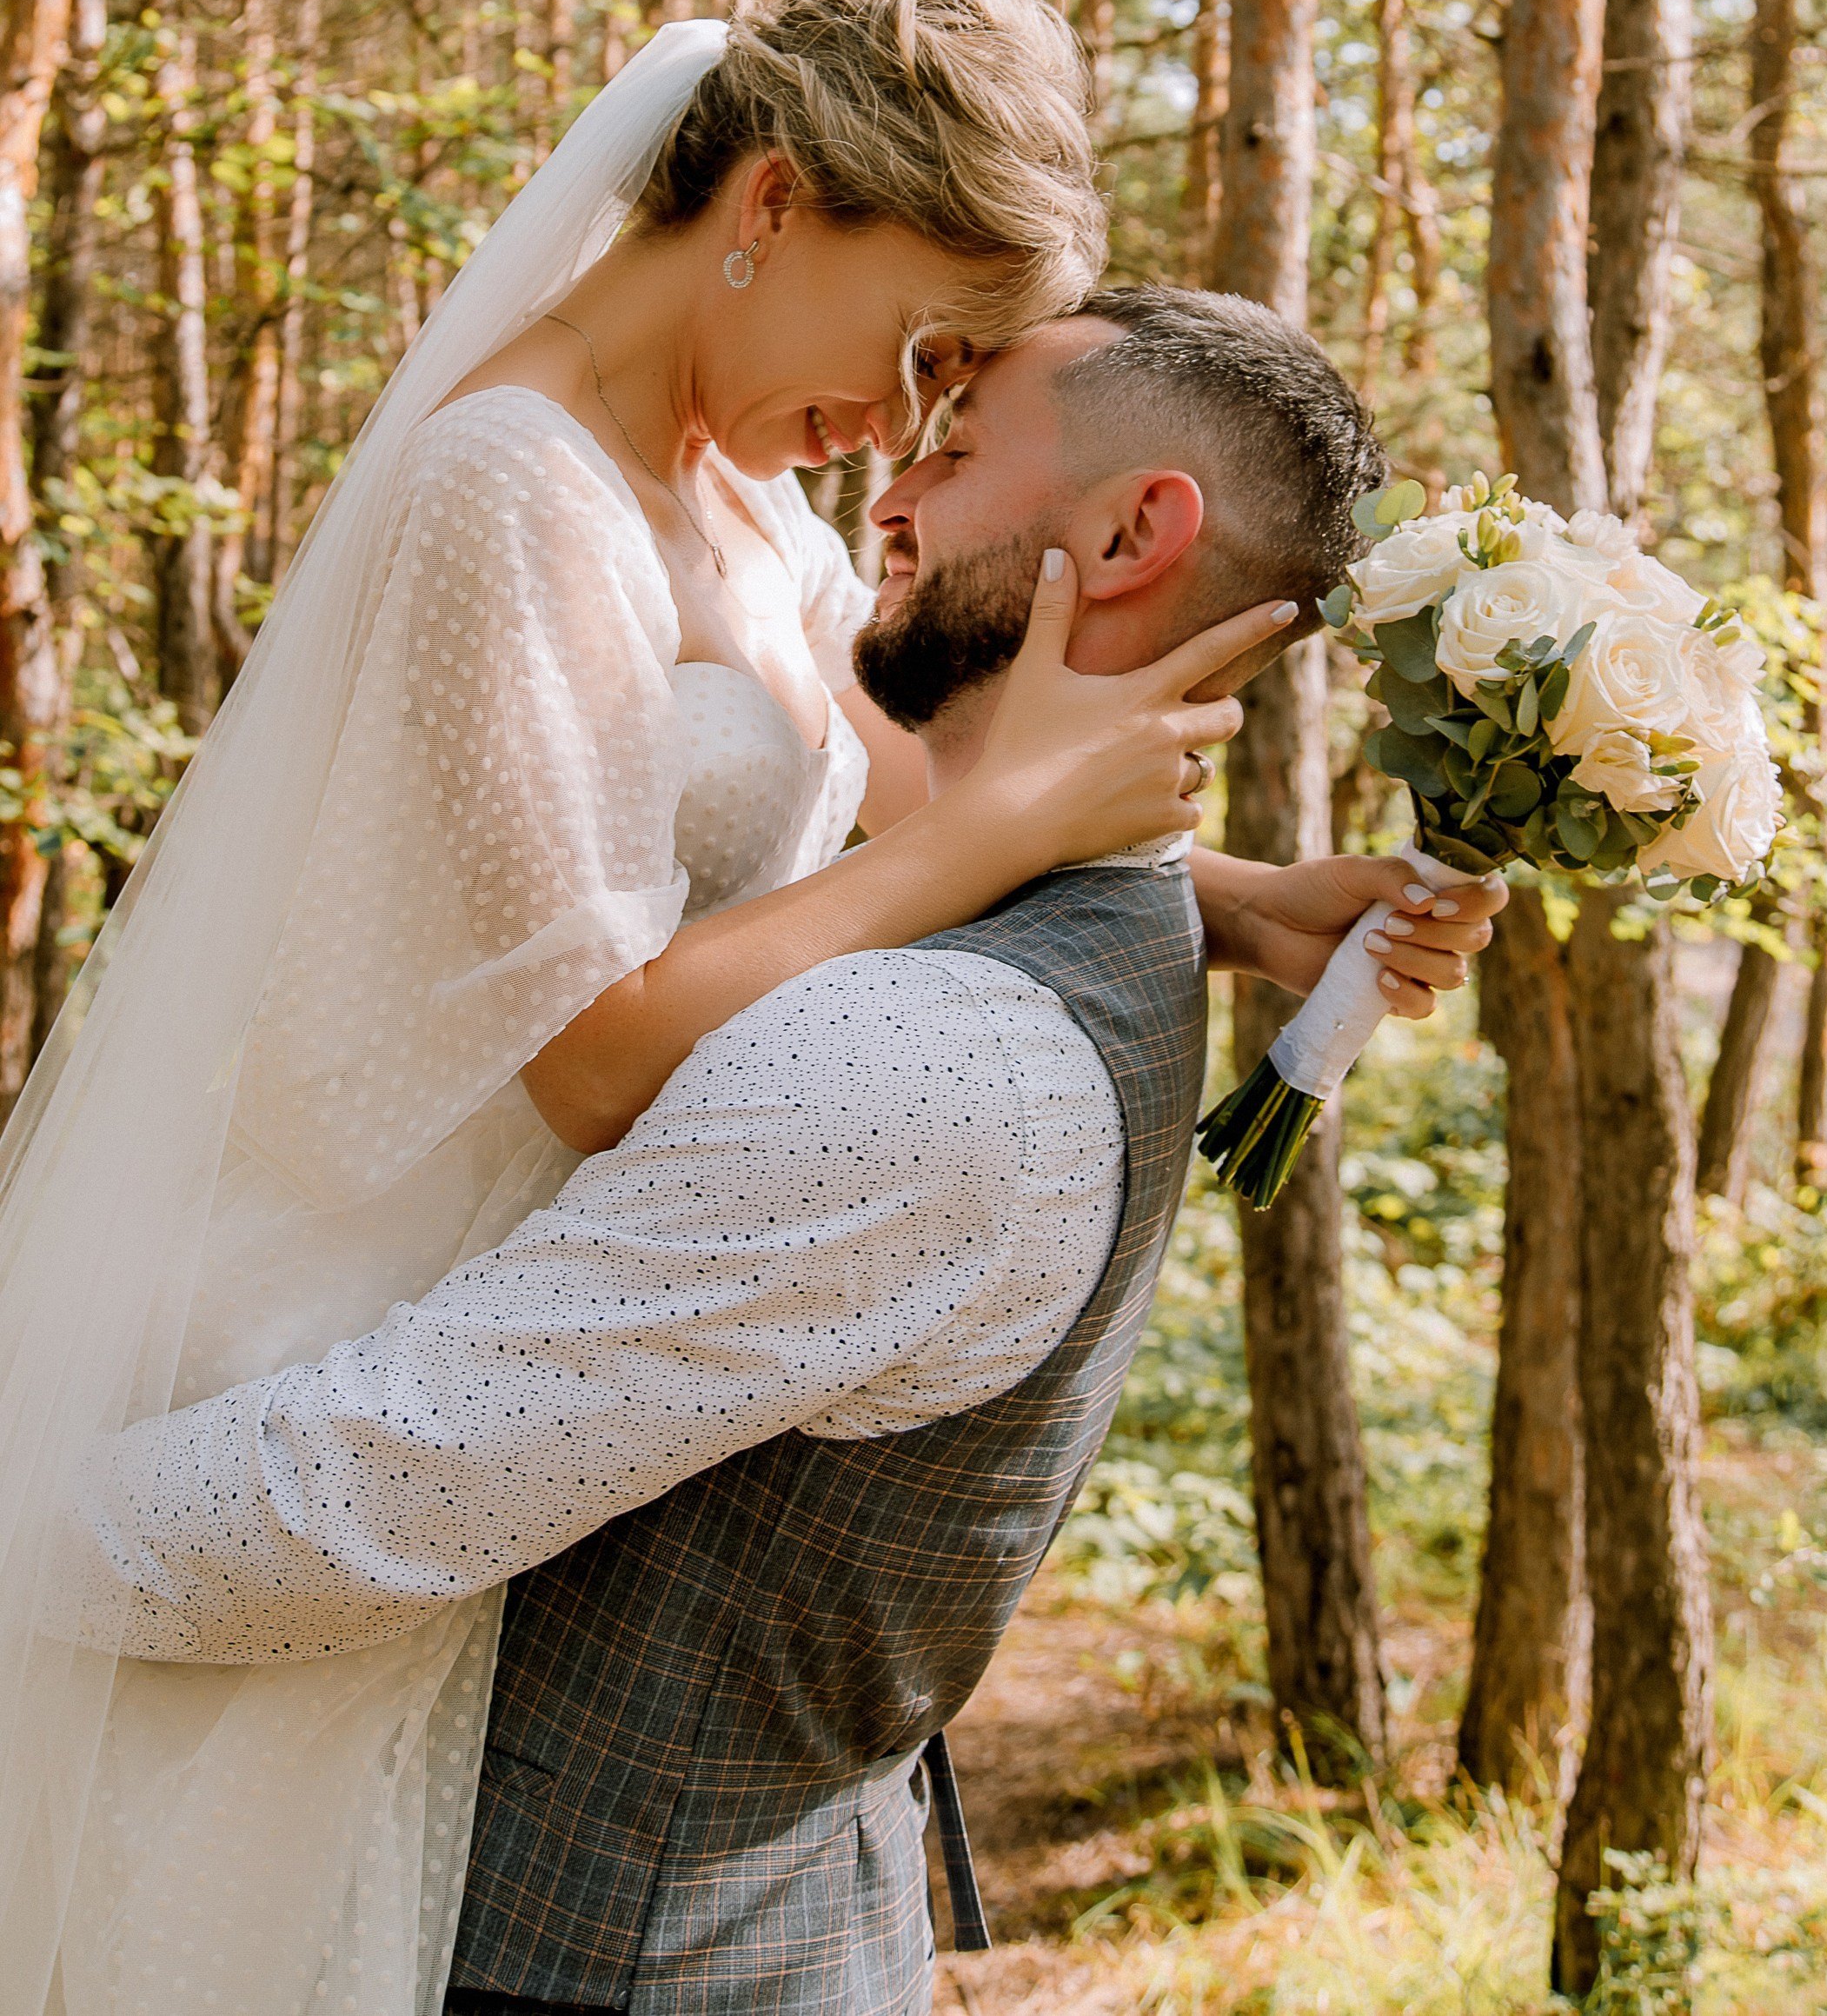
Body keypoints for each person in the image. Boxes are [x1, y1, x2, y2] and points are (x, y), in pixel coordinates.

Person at [63, 286, 1505, 2016]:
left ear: (1131, 530)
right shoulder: (1086, 928)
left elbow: (371, 1489)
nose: (884, 497)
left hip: (599, 1960)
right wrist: (1254, 903)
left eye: (955, 455)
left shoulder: (930, 1060)